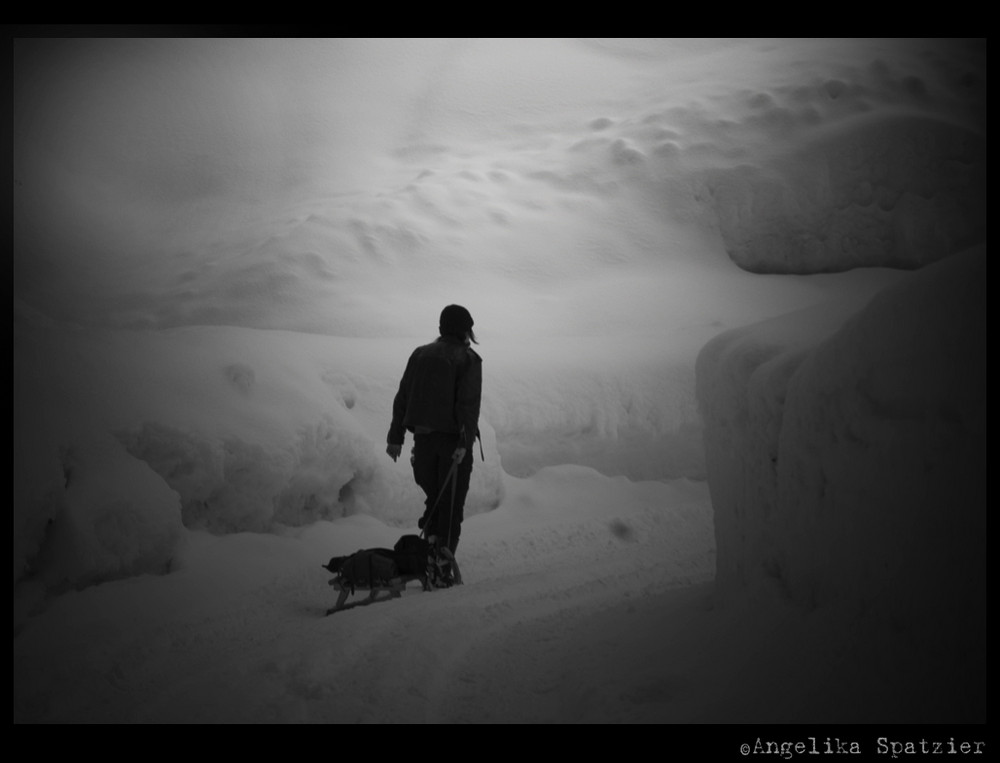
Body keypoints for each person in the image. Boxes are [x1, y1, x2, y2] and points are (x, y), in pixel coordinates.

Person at [386, 305, 482, 557]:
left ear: (441, 328)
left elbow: (403, 396)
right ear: (465, 330)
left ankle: (429, 555)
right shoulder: (467, 359)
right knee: (450, 506)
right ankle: (442, 564)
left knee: (435, 499)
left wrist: (396, 438)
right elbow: (467, 406)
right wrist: (464, 443)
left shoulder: (420, 355)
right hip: (453, 446)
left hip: (424, 444)